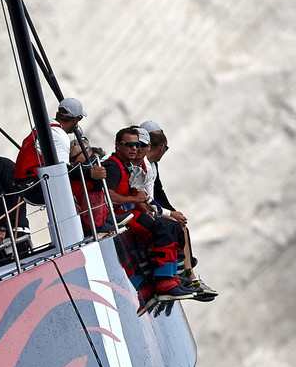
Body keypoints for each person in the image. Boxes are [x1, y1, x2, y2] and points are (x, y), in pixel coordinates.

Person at [102, 127, 195, 302]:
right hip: (117, 215)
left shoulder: (125, 165)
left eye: (137, 145)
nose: (135, 149)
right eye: (129, 145)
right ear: (117, 146)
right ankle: (164, 283)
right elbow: (109, 196)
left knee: (173, 226)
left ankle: (174, 278)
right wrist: (135, 199)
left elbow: (131, 192)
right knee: (160, 227)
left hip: (127, 210)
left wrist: (140, 202)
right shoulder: (113, 166)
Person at [139, 122, 217, 300]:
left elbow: (156, 192)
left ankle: (184, 274)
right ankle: (184, 276)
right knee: (175, 227)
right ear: (161, 147)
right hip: (143, 208)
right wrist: (169, 213)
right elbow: (145, 194)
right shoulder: (144, 163)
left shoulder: (150, 164)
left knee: (179, 225)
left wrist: (171, 211)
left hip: (148, 206)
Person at [13, 97, 88, 204]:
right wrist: (90, 173)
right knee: (89, 182)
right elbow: (62, 171)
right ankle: (90, 216)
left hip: (23, 186)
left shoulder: (44, 126)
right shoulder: (60, 136)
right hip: (35, 189)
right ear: (75, 119)